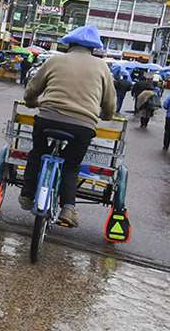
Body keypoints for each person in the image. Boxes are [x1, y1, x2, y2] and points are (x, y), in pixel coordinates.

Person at [19, 26, 116, 228]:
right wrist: (106, 115)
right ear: (93, 49)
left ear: (69, 44)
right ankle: (68, 209)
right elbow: (109, 103)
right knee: (71, 165)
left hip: (48, 119)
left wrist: (31, 102)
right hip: (83, 126)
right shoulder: (102, 67)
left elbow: (32, 90)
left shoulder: (54, 60)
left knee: (37, 153)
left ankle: (27, 195)